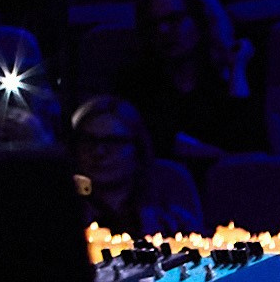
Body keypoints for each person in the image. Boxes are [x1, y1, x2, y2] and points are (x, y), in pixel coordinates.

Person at [126, 0, 263, 165]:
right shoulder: (139, 82)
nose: (162, 31)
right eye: (153, 24)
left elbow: (246, 144)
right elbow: (154, 142)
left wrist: (237, 69)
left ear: (202, 19)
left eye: (174, 19)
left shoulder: (234, 72)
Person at [69, 92, 202, 233]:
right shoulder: (63, 210)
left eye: (113, 141)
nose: (99, 152)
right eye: (89, 141)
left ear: (137, 147)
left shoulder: (169, 209)